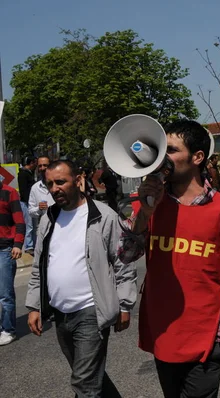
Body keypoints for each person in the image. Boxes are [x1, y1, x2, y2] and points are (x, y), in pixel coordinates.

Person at [117, 120, 220, 396]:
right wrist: (145, 213)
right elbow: (126, 255)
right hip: (163, 329)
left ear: (197, 157)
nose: (161, 158)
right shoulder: (150, 205)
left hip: (207, 331)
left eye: (171, 150)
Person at [25, 160, 136, 395]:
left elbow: (122, 263)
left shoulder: (103, 216)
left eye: (60, 182)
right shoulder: (49, 219)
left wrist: (125, 305)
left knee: (84, 383)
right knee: (91, 376)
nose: (55, 188)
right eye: (50, 184)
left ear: (78, 181)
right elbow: (39, 266)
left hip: (91, 312)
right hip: (60, 314)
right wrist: (35, 305)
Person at [0, 178, 25, 346]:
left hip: (4, 249)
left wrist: (17, 244)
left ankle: (8, 330)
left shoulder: (9, 192)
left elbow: (20, 222)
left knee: (5, 294)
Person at [28, 156, 54, 236]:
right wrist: (39, 209)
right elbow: (31, 211)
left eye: (45, 165)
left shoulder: (60, 184)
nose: (42, 168)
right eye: (40, 166)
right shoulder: (35, 188)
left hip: (62, 226)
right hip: (44, 230)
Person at [18, 156, 36, 254]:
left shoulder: (27, 173)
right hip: (26, 203)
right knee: (29, 225)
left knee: (32, 225)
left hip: (29, 202)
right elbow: (24, 190)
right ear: (31, 163)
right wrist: (29, 201)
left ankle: (32, 244)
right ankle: (29, 246)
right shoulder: (23, 174)